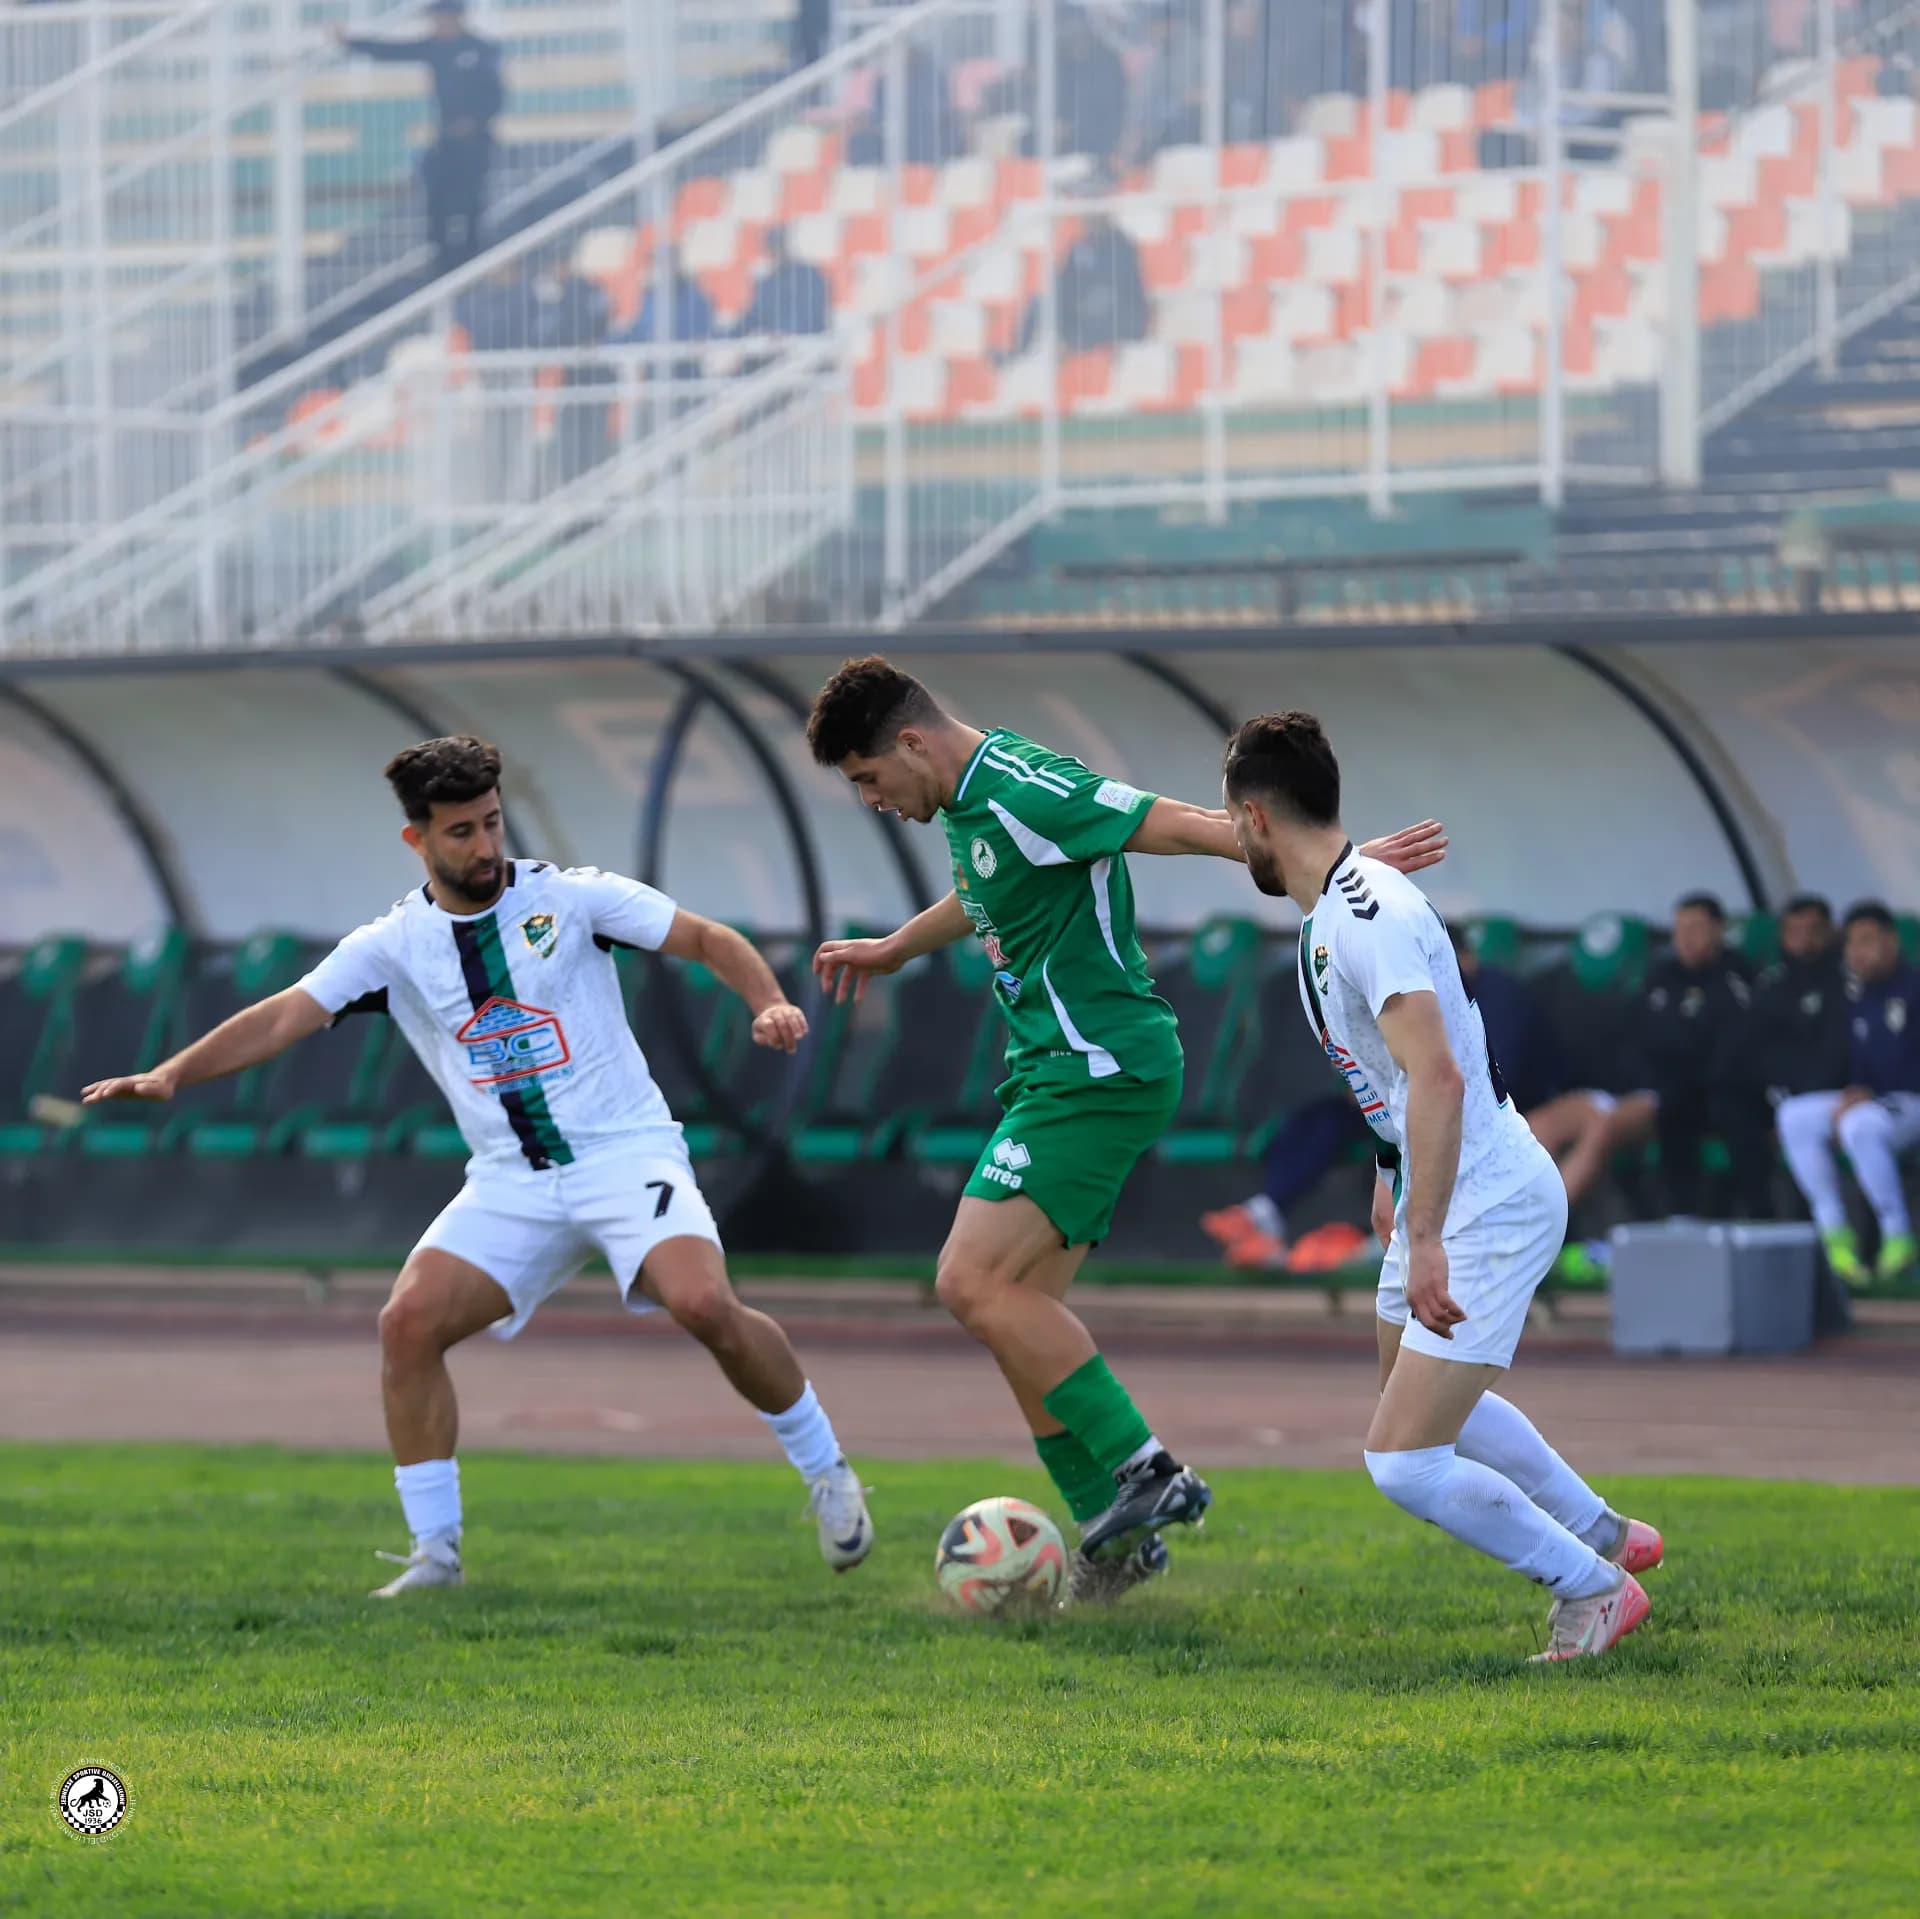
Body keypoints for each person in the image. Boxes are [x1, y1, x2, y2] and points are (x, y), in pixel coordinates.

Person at [80, 736, 872, 1596]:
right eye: (461, 831)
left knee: (704, 1301)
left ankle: (828, 1471)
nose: (486, 846)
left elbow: (710, 938)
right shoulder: (393, 944)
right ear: (417, 840)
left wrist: (770, 1001)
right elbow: (281, 1017)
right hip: (510, 1180)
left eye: (492, 822)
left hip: (622, 1151)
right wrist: (170, 1074)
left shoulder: (570, 898)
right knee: (406, 1324)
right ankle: (437, 1554)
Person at [803, 658, 1445, 1603]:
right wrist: (898, 947)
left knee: (966, 1280)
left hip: (1094, 1067)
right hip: (1061, 1071)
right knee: (1021, 1319)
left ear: (910, 742)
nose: (872, 800)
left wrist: (1324, 862)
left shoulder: (1022, 782)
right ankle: (1116, 1544)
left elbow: (1165, 820)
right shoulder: (978, 803)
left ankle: (1145, 1469)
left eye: (867, 779)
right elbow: (989, 884)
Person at [1221, 711, 1661, 1661]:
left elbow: (1441, 1075)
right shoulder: (1335, 904)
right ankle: (1600, 1532)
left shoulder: (1360, 914)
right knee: (1406, 1404)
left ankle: (1595, 1589)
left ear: (1255, 816)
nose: (1231, 842)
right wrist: (1392, 1172)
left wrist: (1426, 1236)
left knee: (1403, 1461)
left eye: (1231, 826)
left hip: (1485, 1202)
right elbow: (1396, 1077)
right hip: (1444, 1187)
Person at [1776, 901, 1920, 1286]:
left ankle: (1898, 1235)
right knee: (1795, 1115)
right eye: (1851, 943)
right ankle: (1835, 1236)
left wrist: (1867, 1095)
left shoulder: (1914, 989)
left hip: (1911, 1100)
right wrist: (1855, 1091)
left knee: (1861, 1125)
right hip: (1876, 1100)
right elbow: (1860, 1062)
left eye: (1868, 941)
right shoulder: (1856, 996)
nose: (1858, 952)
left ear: (1892, 942)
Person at [334, 0, 504, 275]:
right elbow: (390, 51)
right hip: (446, 139)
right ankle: (442, 260)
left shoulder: (482, 49)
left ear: (458, 17)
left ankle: (471, 256)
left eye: (443, 18)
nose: (438, 24)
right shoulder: (435, 47)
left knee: (471, 198)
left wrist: (474, 122)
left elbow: (496, 96)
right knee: (437, 196)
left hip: (476, 141)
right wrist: (350, 42)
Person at [1639, 892, 1774, 1219]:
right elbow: (1643, 1037)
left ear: (1719, 930)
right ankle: (1680, 1217)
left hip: (1734, 1088)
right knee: (1671, 1105)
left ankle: (1762, 1217)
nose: (1686, 939)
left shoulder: (1741, 975)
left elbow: (1748, 1041)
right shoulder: (1660, 978)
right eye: (1680, 930)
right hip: (1681, 1088)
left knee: (1736, 1110)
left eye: (1696, 929)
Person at [1753, 894, 1852, 1108]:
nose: (1803, 938)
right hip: (1776, 1088)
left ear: (1830, 931)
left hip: (1829, 1089)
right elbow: (1759, 1043)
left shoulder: (1847, 981)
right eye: (1794, 931)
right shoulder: (1769, 983)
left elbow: (1838, 1049)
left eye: (1812, 930)